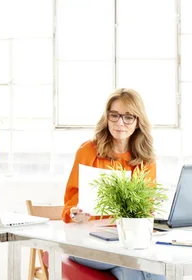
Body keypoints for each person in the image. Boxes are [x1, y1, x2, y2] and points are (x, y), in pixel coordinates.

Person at [62, 88, 165, 280]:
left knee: (143, 270)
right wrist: (74, 213)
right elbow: (70, 204)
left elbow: (147, 208)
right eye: (114, 115)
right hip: (87, 241)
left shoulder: (146, 159)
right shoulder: (88, 150)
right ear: (107, 117)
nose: (120, 123)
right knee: (139, 265)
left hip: (125, 242)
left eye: (128, 117)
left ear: (137, 121)